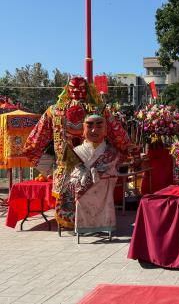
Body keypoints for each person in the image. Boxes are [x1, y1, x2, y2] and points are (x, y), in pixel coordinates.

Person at [23, 76, 130, 230]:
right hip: (95, 166)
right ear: (87, 90)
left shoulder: (54, 110)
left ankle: (75, 225)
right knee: (93, 199)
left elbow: (33, 143)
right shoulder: (99, 109)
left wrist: (45, 166)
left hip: (65, 166)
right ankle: (92, 226)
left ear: (67, 90)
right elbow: (119, 137)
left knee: (71, 199)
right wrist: (121, 153)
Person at [66, 113, 123, 243]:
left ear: (106, 130)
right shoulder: (76, 151)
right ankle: (83, 228)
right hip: (83, 193)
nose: (94, 130)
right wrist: (83, 175)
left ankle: (105, 227)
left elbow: (113, 172)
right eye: (89, 126)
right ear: (83, 130)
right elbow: (71, 175)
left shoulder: (111, 153)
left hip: (104, 192)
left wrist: (97, 173)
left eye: (99, 126)